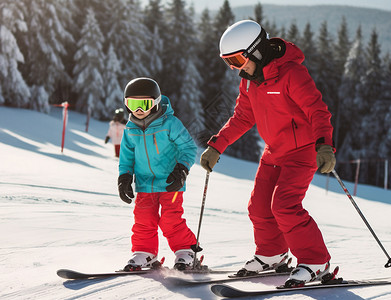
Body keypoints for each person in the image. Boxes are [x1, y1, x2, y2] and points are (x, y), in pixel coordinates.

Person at [200, 20, 336, 287]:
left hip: (302, 152)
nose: (235, 68)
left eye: (238, 59)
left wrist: (324, 144)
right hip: (274, 152)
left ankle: (316, 261)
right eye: (228, 62)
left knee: (284, 206)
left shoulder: (291, 74)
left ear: (257, 51)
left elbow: (317, 110)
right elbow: (241, 117)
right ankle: (272, 254)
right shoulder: (250, 82)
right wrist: (217, 145)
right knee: (259, 207)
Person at [118, 77, 200, 271]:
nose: (138, 110)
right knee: (143, 219)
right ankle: (144, 252)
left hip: (171, 181)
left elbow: (188, 147)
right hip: (145, 183)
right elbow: (126, 157)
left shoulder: (169, 123)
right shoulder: (130, 129)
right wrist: (125, 177)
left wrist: (181, 169)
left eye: (143, 104)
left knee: (171, 219)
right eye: (133, 104)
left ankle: (186, 251)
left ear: (155, 102)